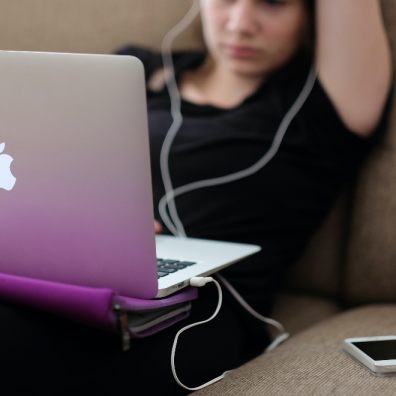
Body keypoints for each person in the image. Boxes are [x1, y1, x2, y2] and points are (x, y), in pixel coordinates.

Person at [0, 0, 393, 394]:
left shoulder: (323, 103)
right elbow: (45, 167)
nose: (241, 24)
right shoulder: (133, 71)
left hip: (204, 307)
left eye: (272, 3)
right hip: (78, 270)